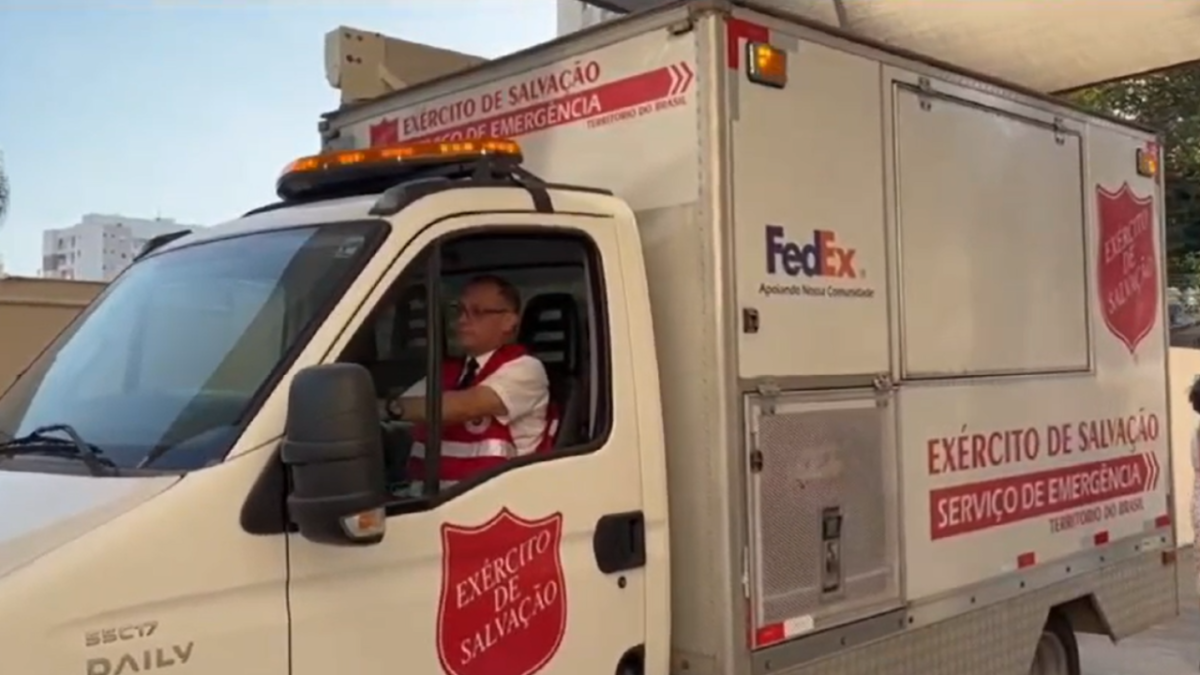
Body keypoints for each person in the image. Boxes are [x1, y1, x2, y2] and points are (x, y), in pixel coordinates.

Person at [383, 274, 553, 487]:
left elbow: (461, 407)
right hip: (429, 501)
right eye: (460, 310)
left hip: (496, 502)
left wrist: (386, 408)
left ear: (509, 320)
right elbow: (406, 411)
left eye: (477, 312)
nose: (462, 319)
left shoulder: (526, 369)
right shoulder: (448, 372)